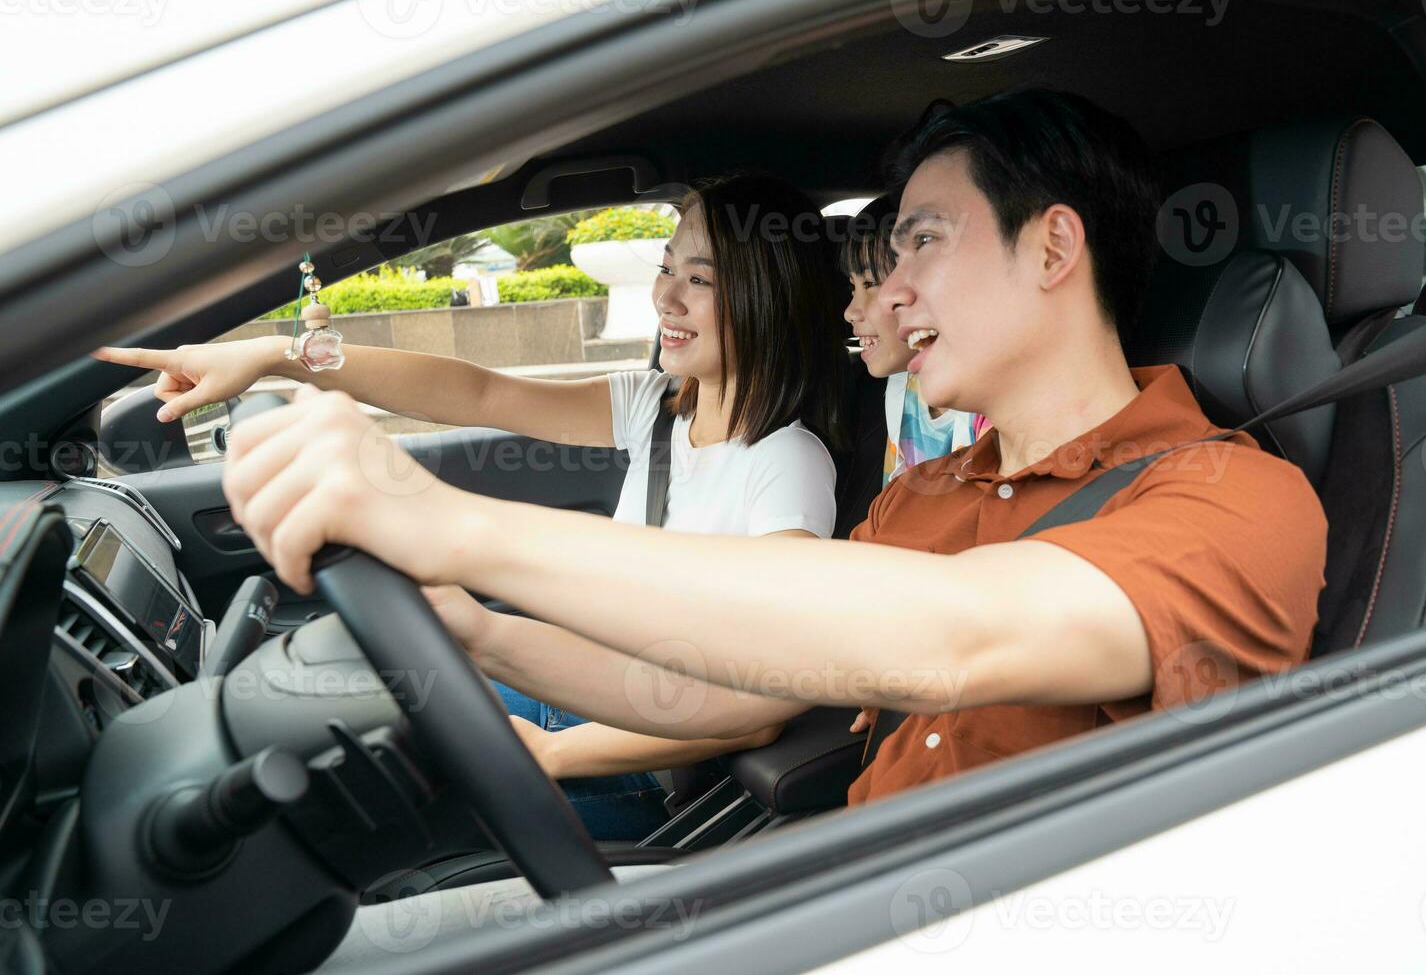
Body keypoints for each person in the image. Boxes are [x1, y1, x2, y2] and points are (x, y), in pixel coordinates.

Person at [215, 86, 1328, 841]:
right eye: (885, 257)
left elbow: (955, 635)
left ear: (1052, 246)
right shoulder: (922, 494)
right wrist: (475, 626)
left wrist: (450, 521)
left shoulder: (1234, 497)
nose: (886, 296)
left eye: (923, 243)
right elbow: (719, 689)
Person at [94, 172, 852, 840]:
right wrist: (273, 354)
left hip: (641, 767)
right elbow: (477, 391)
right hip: (580, 689)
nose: (664, 296)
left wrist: (556, 751)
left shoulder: (786, 464)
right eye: (665, 267)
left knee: (342, 808)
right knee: (329, 725)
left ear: (767, 296)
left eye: (701, 278)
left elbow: (760, 701)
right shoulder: (661, 407)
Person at [842, 193, 989, 488]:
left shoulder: (986, 406)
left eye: (871, 283)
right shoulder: (902, 385)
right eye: (852, 288)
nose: (850, 312)